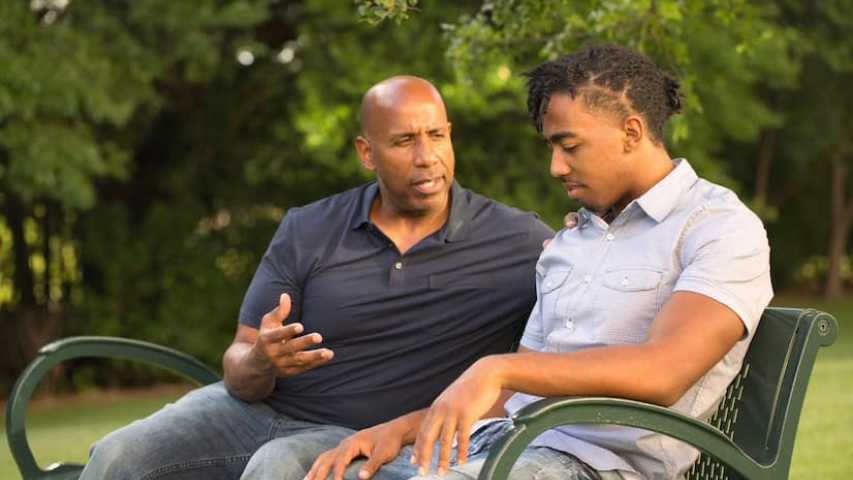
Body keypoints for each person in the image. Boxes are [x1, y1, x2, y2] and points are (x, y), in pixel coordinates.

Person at [304, 45, 773, 480]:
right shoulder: (574, 241)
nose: (556, 167)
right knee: (317, 467)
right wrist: (400, 428)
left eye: (569, 146)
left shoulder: (717, 227)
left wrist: (497, 367)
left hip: (595, 466)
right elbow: (513, 395)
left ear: (631, 132)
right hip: (509, 442)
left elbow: (664, 372)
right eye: (551, 147)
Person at [78, 75, 553, 480]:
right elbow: (239, 364)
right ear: (367, 153)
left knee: (277, 467)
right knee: (116, 456)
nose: (426, 156)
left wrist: (581, 239)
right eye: (404, 141)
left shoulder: (517, 240)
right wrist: (262, 360)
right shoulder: (309, 228)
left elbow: (586, 291)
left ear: (451, 136)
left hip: (364, 434)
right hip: (249, 412)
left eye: (436, 136)